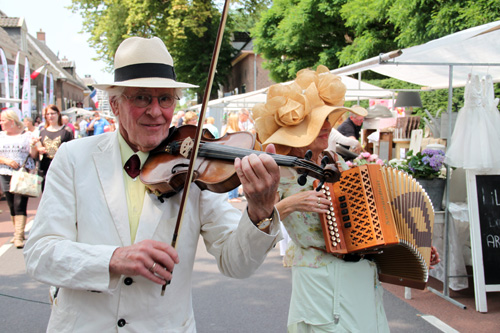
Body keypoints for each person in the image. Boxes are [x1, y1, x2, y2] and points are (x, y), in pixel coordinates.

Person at [24, 36, 281, 332]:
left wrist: (259, 211)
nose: (156, 111)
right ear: (115, 105)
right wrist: (113, 258)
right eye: (142, 97)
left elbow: (237, 264)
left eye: (165, 99)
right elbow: (40, 253)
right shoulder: (74, 158)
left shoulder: (198, 167)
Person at [253, 65, 440, 332]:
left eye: (328, 119)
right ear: (296, 129)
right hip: (318, 282)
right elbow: (257, 228)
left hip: (363, 278)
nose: (327, 126)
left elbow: (373, 220)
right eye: (317, 121)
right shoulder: (279, 171)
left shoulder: (338, 161)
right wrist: (290, 204)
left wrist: (414, 246)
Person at [0, 109, 39, 248]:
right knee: (11, 204)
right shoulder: (1, 136)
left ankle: (17, 236)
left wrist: (34, 145)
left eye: (3, 120)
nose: (1, 123)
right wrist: (5, 161)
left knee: (19, 204)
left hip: (23, 173)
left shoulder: (27, 135)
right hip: (5, 172)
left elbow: (34, 155)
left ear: (11, 121)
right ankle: (18, 232)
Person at [32, 104, 74, 191]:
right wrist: (39, 148)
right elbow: (39, 147)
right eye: (47, 114)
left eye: (52, 113)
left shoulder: (66, 131)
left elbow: (72, 149)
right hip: (46, 167)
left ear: (58, 114)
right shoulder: (42, 131)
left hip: (62, 167)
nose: (50, 116)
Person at [222, 112, 242, 202]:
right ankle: (231, 196)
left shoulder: (231, 129)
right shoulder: (231, 131)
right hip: (231, 156)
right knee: (232, 176)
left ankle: (234, 195)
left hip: (233, 156)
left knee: (236, 175)